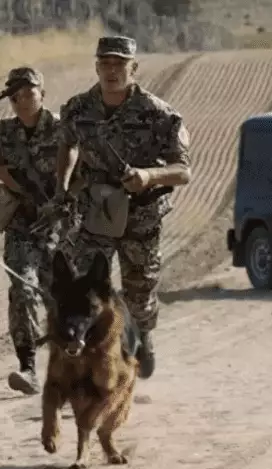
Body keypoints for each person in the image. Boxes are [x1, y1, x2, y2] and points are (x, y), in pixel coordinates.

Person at [52, 35, 192, 380]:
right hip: (94, 213)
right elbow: (68, 145)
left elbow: (183, 171)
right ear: (97, 67)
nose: (112, 71)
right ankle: (90, 357)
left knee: (139, 293)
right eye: (106, 63)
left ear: (134, 68)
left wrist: (149, 175)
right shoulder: (77, 109)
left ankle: (142, 335)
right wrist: (62, 185)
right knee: (86, 290)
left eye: (120, 64)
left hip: (140, 215)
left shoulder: (159, 114)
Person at [0, 66, 62, 396]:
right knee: (23, 289)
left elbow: (84, 168)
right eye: (16, 96)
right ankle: (28, 366)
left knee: (61, 298)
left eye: (29, 93)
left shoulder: (62, 129)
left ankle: (73, 367)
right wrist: (6, 179)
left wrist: (63, 197)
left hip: (59, 228)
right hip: (21, 227)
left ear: (42, 94)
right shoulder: (3, 132)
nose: (23, 101)